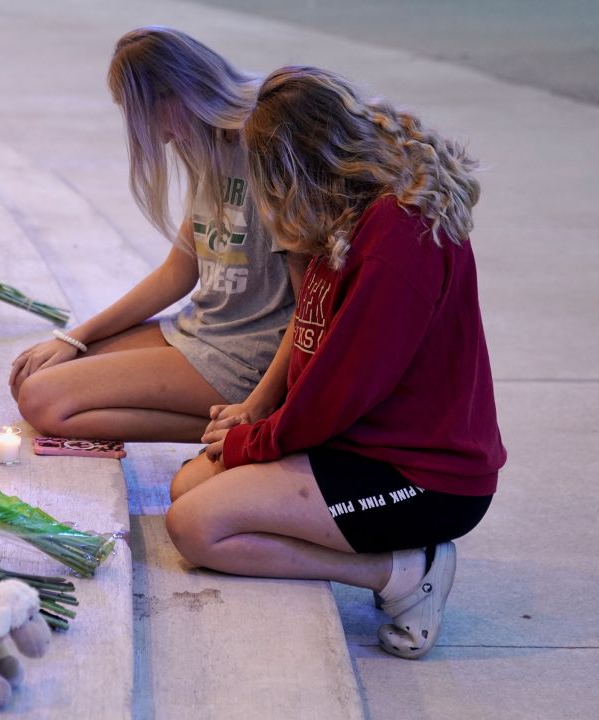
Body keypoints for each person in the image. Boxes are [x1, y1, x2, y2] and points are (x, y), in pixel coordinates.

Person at [166, 66, 507, 659]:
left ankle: (403, 571)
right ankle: (389, 560)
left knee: (196, 527)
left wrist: (254, 441)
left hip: (421, 478)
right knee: (189, 485)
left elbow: (340, 391)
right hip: (359, 446)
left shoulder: (397, 236)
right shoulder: (349, 213)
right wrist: (254, 417)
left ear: (296, 164)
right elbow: (312, 342)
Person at [10, 27, 304, 443]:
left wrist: (260, 399)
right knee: (41, 372)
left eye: (138, 112)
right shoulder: (204, 142)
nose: (141, 129)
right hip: (205, 328)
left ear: (174, 95)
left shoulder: (261, 145)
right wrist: (75, 336)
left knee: (43, 399)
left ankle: (253, 428)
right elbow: (177, 273)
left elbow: (309, 304)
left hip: (245, 357)